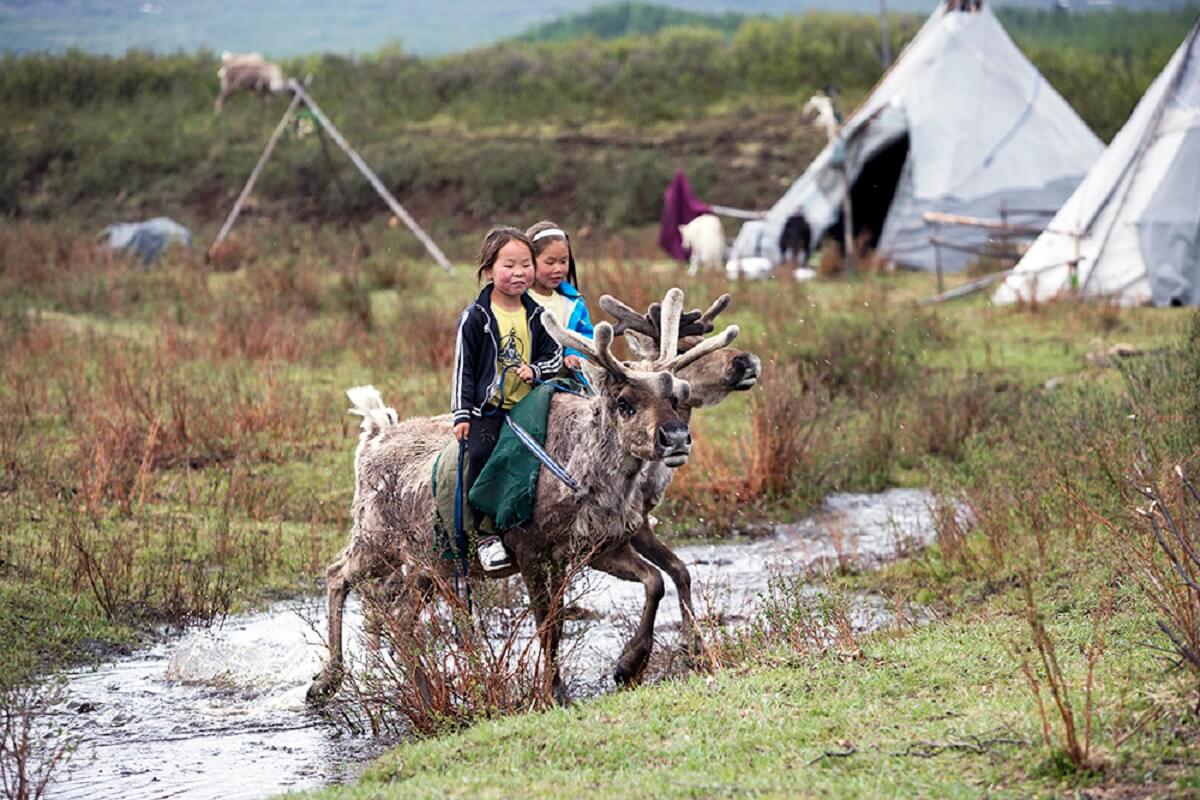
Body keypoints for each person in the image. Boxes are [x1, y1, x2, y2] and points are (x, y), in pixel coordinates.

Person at [452, 226, 563, 571]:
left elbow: (555, 354)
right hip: (489, 409)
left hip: (529, 407)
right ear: (488, 271)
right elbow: (463, 368)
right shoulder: (476, 318)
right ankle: (484, 535)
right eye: (509, 266)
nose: (519, 273)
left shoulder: (537, 314)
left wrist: (537, 370)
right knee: (483, 454)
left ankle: (535, 526)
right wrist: (462, 415)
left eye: (526, 265)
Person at [525, 221, 594, 372]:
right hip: (529, 382)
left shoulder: (573, 302)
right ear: (529, 261)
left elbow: (586, 336)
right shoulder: (519, 300)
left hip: (569, 384)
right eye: (550, 262)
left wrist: (574, 354)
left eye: (563, 261)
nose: (558, 269)